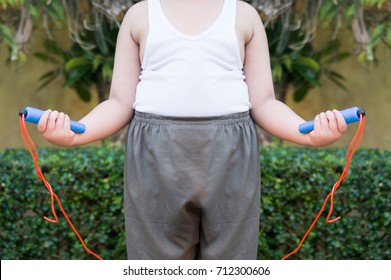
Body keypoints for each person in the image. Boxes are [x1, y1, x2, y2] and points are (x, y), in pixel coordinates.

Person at [37, 0, 347, 260]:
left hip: (232, 152)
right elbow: (119, 102)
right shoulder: (140, 15)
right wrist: (75, 133)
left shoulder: (243, 15)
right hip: (153, 153)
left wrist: (308, 133)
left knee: (232, 263)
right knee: (155, 264)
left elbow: (264, 102)